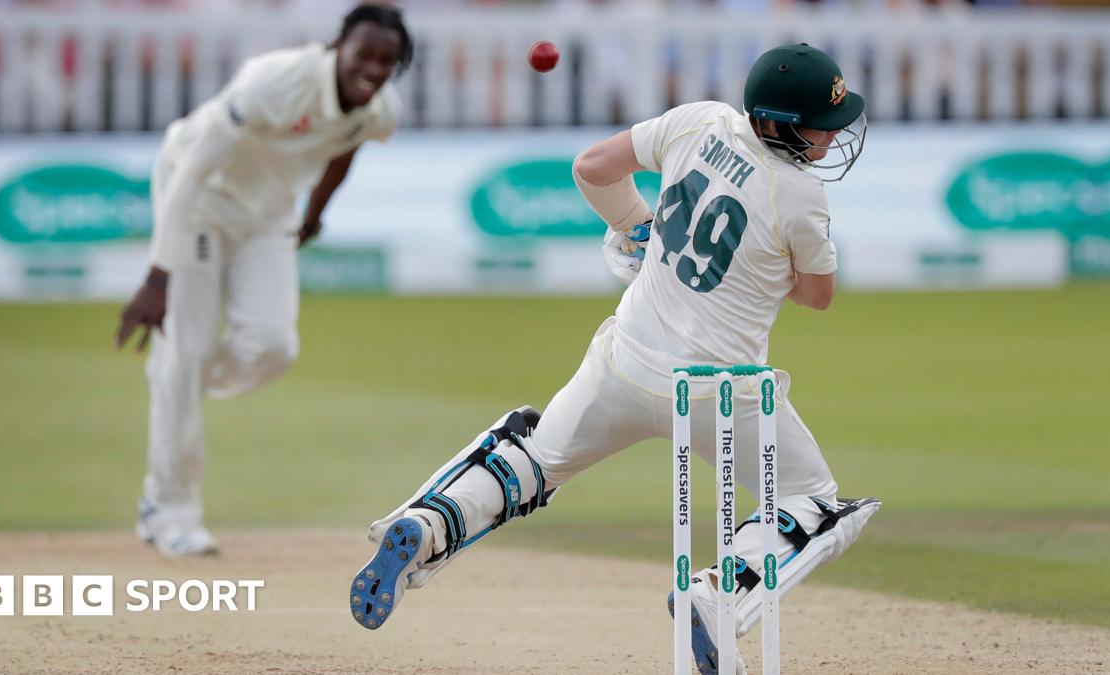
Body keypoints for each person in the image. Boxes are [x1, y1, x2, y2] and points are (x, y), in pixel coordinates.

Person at [351, 43, 880, 673]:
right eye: (822, 123)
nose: (832, 134)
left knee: (536, 459)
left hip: (625, 362)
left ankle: (429, 525)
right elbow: (817, 296)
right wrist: (758, 267)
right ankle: (717, 597)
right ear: (779, 122)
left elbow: (592, 168)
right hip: (718, 391)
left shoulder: (699, 120)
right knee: (811, 498)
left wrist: (638, 226)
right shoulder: (799, 193)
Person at [114, 3, 413, 557]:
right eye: (364, 55)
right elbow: (192, 170)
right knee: (185, 354)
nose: (373, 69)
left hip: (271, 210)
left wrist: (315, 214)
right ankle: (169, 511)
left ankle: (182, 372)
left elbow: (345, 146)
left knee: (272, 348)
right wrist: (157, 277)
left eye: (386, 61)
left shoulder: (380, 109)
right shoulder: (274, 82)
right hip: (201, 200)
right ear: (338, 47)